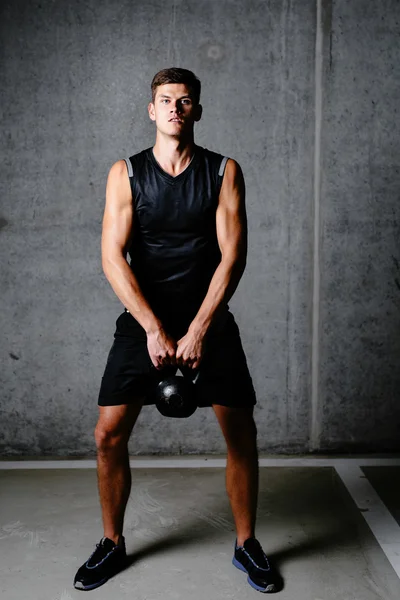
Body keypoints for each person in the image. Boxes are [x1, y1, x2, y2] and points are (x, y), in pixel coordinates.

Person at [73, 67, 282, 593]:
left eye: (185, 101)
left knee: (242, 433)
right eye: (166, 100)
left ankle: (247, 544)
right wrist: (151, 328)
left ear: (198, 110)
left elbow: (233, 256)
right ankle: (111, 543)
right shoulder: (124, 173)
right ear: (151, 109)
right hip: (143, 320)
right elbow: (111, 257)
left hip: (207, 320)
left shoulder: (222, 171)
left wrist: (199, 330)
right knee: (106, 435)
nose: (175, 109)